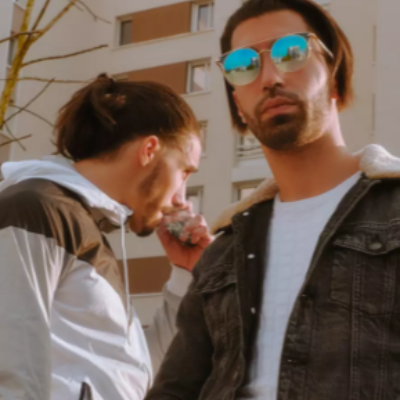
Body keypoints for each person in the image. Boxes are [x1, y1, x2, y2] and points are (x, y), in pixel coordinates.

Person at [145, 0, 400, 399]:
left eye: (290, 52)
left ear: (334, 76)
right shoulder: (224, 251)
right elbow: (175, 389)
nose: (269, 77)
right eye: (243, 65)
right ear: (238, 104)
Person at [0, 75, 212, 400]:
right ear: (149, 150)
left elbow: (139, 377)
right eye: (184, 171)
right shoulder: (36, 210)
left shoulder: (86, 229)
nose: (181, 199)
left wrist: (185, 275)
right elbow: (11, 369)